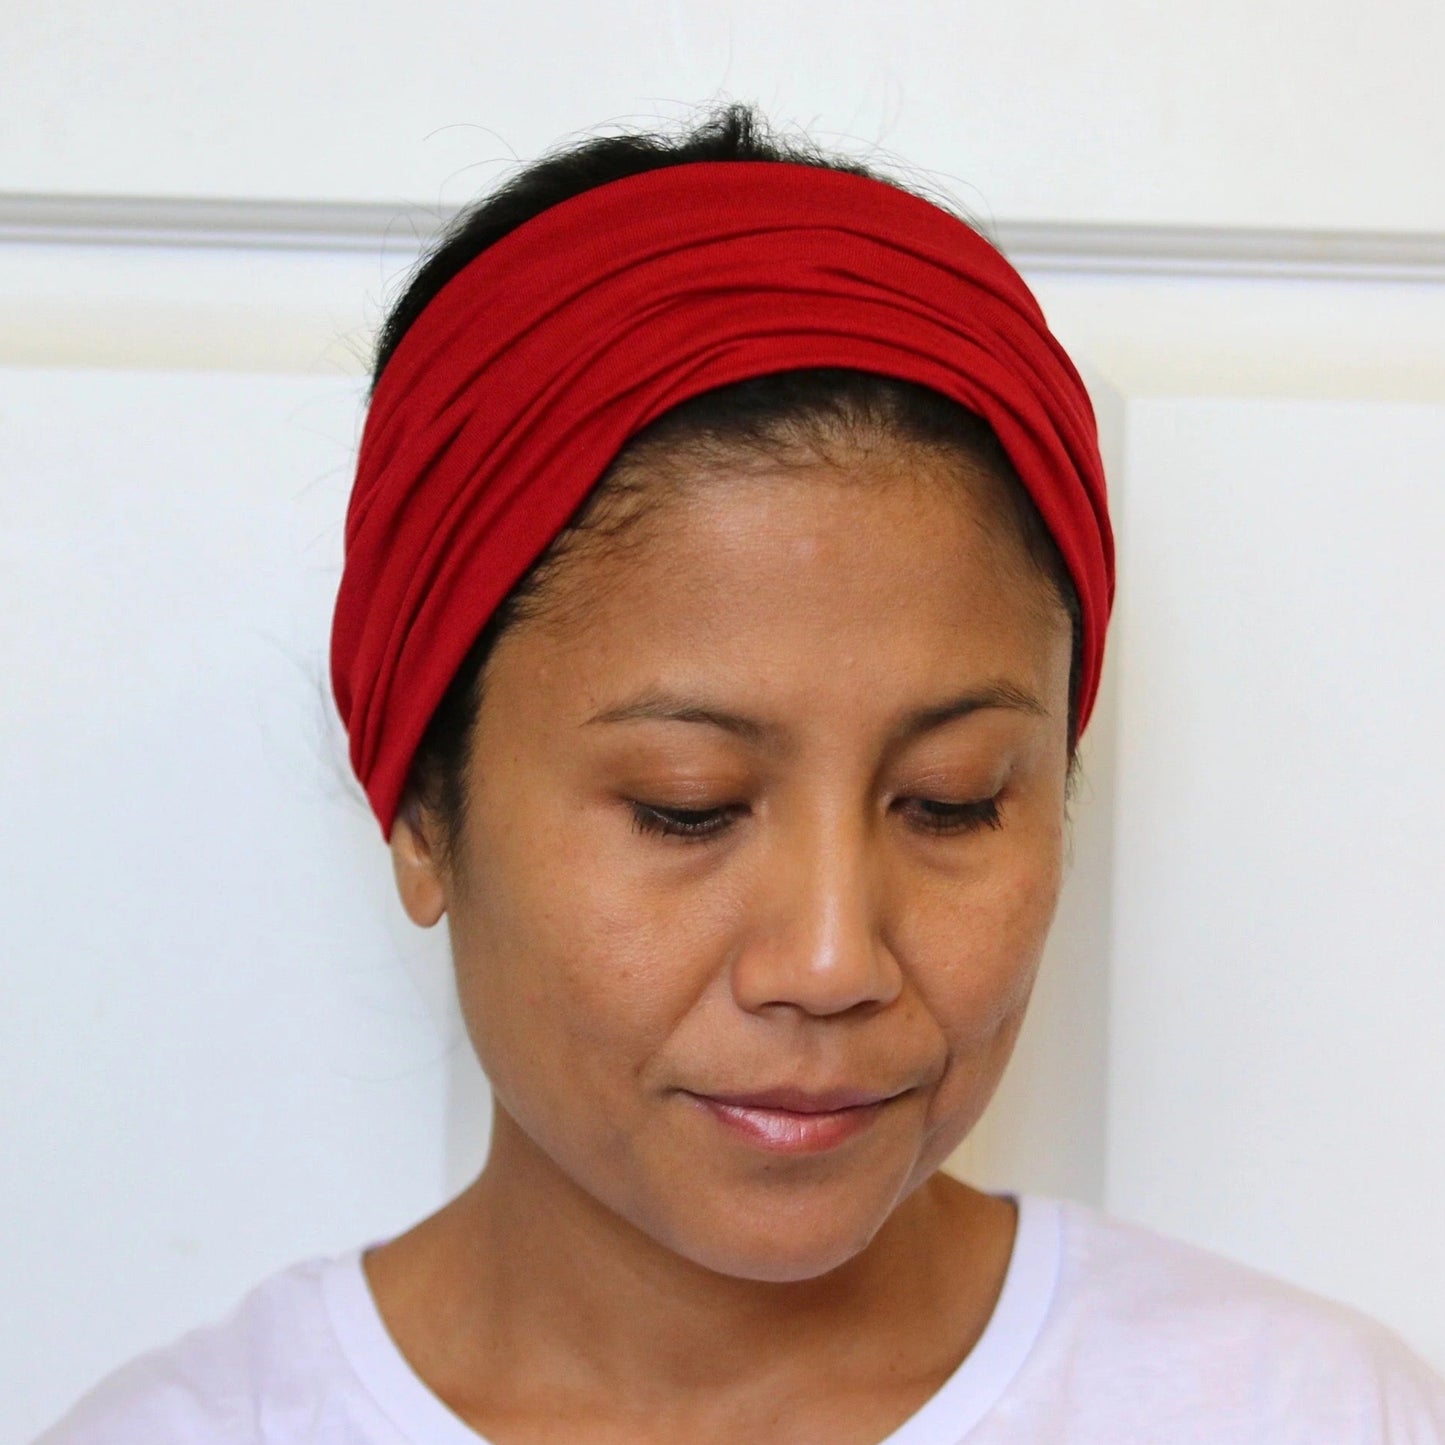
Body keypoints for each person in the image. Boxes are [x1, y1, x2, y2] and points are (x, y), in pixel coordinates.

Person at [37, 104, 1445, 1445]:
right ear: (420, 806)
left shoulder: (1308, 1411)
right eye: (686, 806)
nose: (831, 962)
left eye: (952, 798)